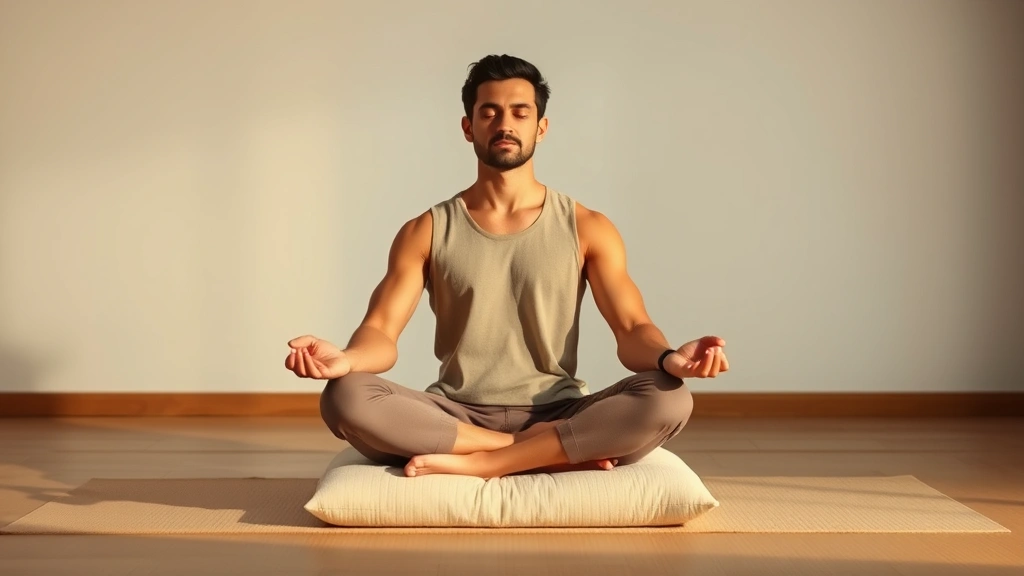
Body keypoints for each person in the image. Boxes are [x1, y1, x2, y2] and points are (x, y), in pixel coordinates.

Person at [285, 54, 729, 480]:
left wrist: (670, 360)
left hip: (559, 409)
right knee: (345, 395)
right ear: (468, 126)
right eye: (490, 112)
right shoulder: (426, 229)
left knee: (669, 399)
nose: (504, 124)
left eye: (520, 113)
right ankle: (537, 451)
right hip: (455, 413)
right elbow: (381, 332)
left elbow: (633, 330)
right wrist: (345, 360)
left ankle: (482, 463)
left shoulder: (588, 227)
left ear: (541, 127)